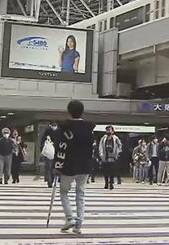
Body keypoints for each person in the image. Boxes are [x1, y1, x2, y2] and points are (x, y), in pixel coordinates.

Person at [55, 100, 95, 235]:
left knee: (64, 191)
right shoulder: (89, 128)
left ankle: (69, 218)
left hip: (69, 166)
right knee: (80, 193)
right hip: (85, 166)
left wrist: (57, 165)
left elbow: (61, 148)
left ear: (69, 111)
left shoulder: (65, 127)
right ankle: (78, 224)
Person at [98, 125, 122, 189]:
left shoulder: (115, 138)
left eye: (109, 130)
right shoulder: (103, 138)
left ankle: (111, 183)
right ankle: (106, 183)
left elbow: (120, 145)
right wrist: (101, 154)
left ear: (113, 131)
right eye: (107, 130)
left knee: (112, 171)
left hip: (112, 157)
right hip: (105, 156)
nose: (108, 131)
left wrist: (117, 152)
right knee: (105, 171)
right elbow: (100, 146)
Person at [40, 121, 58, 187]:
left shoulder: (47, 132)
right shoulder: (50, 132)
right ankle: (50, 180)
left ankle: (50, 180)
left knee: (49, 167)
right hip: (52, 152)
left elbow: (42, 142)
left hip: (50, 153)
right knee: (51, 167)